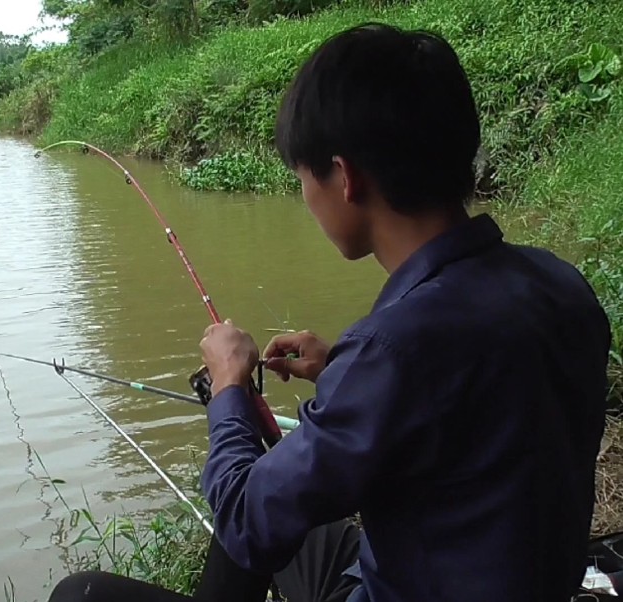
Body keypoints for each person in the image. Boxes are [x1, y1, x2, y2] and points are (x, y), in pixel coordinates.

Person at [48, 22, 611, 602]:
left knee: (83, 591)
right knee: (280, 491)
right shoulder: (560, 285)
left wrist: (228, 388)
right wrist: (340, 368)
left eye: (302, 179)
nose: (306, 198)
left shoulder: (395, 348)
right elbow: (475, 403)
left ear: (344, 177)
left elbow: (245, 520)